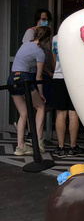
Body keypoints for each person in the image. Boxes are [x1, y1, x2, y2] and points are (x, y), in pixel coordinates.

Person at [7, 26, 51, 155]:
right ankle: (38, 141)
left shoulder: (25, 44)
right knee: (41, 107)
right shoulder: (40, 52)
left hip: (12, 78)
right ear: (47, 39)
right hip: (24, 78)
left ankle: (20, 147)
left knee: (23, 113)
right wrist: (41, 93)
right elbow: (38, 76)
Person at [50, 32, 80, 158]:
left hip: (58, 77)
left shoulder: (55, 38)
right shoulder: (78, 37)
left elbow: (53, 59)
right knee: (73, 113)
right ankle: (73, 147)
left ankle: (60, 147)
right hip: (74, 77)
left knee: (60, 113)